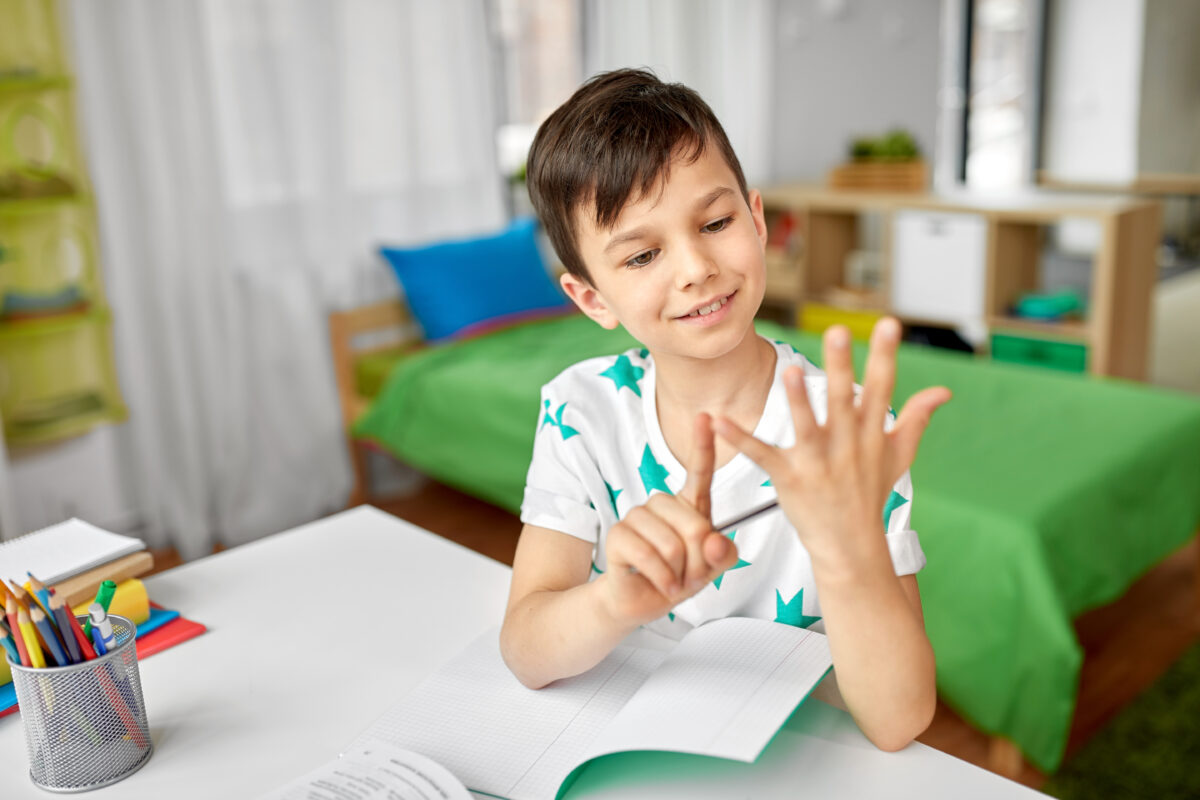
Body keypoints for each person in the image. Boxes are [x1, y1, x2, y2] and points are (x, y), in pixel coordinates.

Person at [500, 68, 951, 752]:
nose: (695, 267)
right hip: (623, 740)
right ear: (592, 299)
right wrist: (612, 602)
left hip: (796, 757)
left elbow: (899, 722)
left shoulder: (848, 435)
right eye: (643, 254)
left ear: (757, 218)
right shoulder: (580, 411)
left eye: (715, 222)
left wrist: (847, 554)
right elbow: (526, 650)